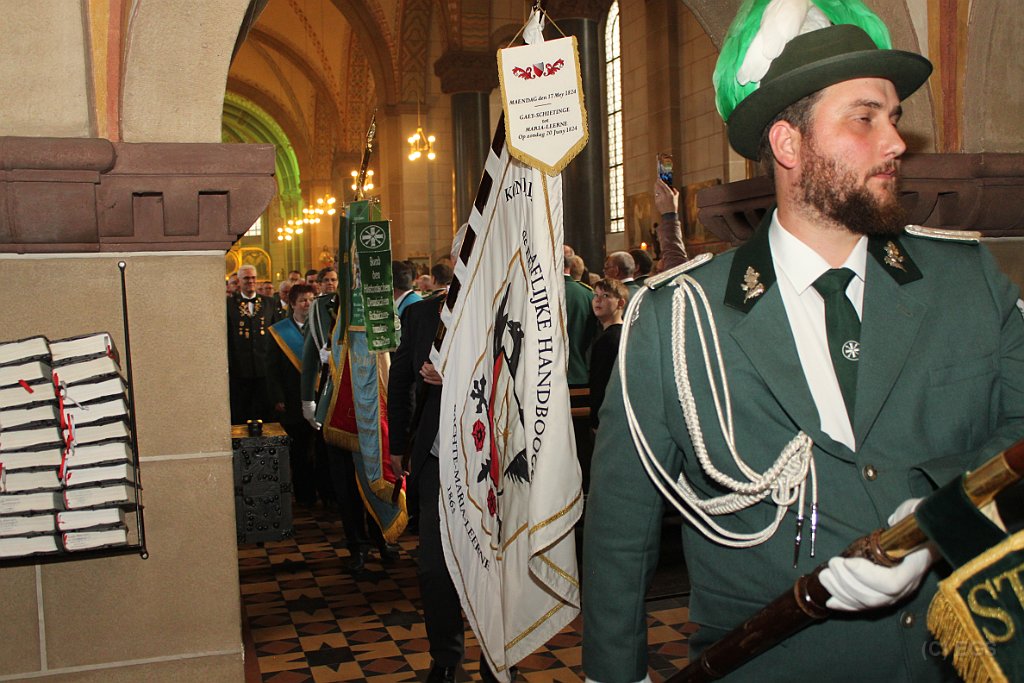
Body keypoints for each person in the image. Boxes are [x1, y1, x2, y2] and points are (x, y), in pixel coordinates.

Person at [581, 7, 1024, 683]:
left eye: (894, 117)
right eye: (864, 117)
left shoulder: (966, 283)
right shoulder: (680, 317)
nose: (895, 141)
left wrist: (939, 519)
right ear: (789, 144)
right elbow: (621, 525)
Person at [265, 283, 318, 506]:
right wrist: (278, 398)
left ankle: (326, 494)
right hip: (292, 397)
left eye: (312, 300)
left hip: (320, 397)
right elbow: (272, 368)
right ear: (293, 304)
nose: (308, 304)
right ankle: (305, 496)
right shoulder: (280, 332)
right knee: (300, 451)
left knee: (321, 450)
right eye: (303, 300)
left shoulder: (324, 328)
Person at [226, 264, 282, 424]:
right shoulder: (229, 304)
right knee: (241, 413)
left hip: (264, 369)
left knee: (266, 413)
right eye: (246, 278)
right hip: (239, 371)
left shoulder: (269, 303)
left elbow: (276, 334)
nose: (250, 281)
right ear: (239, 281)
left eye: (253, 278)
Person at [587, 279, 627, 432]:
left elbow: (601, 383)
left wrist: (595, 421)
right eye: (595, 295)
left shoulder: (608, 339)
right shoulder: (626, 332)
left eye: (605, 295)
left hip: (609, 418)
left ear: (620, 303)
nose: (598, 300)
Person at [563, 254, 597, 388]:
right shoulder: (588, 294)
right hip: (580, 371)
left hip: (545, 374)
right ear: (569, 268)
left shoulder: (540, 293)